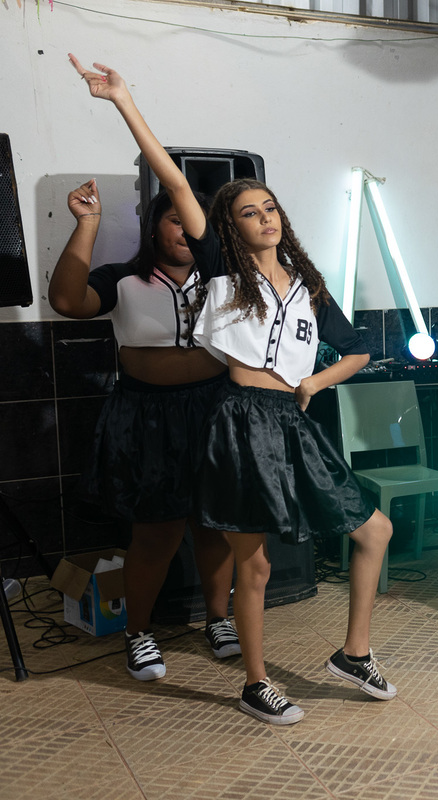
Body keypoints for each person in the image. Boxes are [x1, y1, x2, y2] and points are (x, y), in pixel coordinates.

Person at [71, 55, 395, 724]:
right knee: (257, 565)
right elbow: (172, 178)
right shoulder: (222, 269)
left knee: (375, 529)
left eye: (270, 208)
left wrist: (315, 381)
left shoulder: (308, 286)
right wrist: (124, 100)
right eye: (249, 213)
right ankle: (254, 683)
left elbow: (360, 350)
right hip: (240, 417)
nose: (265, 218)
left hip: (290, 417)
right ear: (230, 227)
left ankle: (354, 653)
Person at [48, 180, 239, 681]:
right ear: (154, 227)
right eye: (176, 220)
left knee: (216, 526)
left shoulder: (225, 280)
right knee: (156, 533)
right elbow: (66, 300)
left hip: (215, 412)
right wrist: (87, 222)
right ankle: (138, 632)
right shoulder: (124, 279)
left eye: (196, 223)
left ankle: (218, 620)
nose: (187, 231)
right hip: (149, 419)